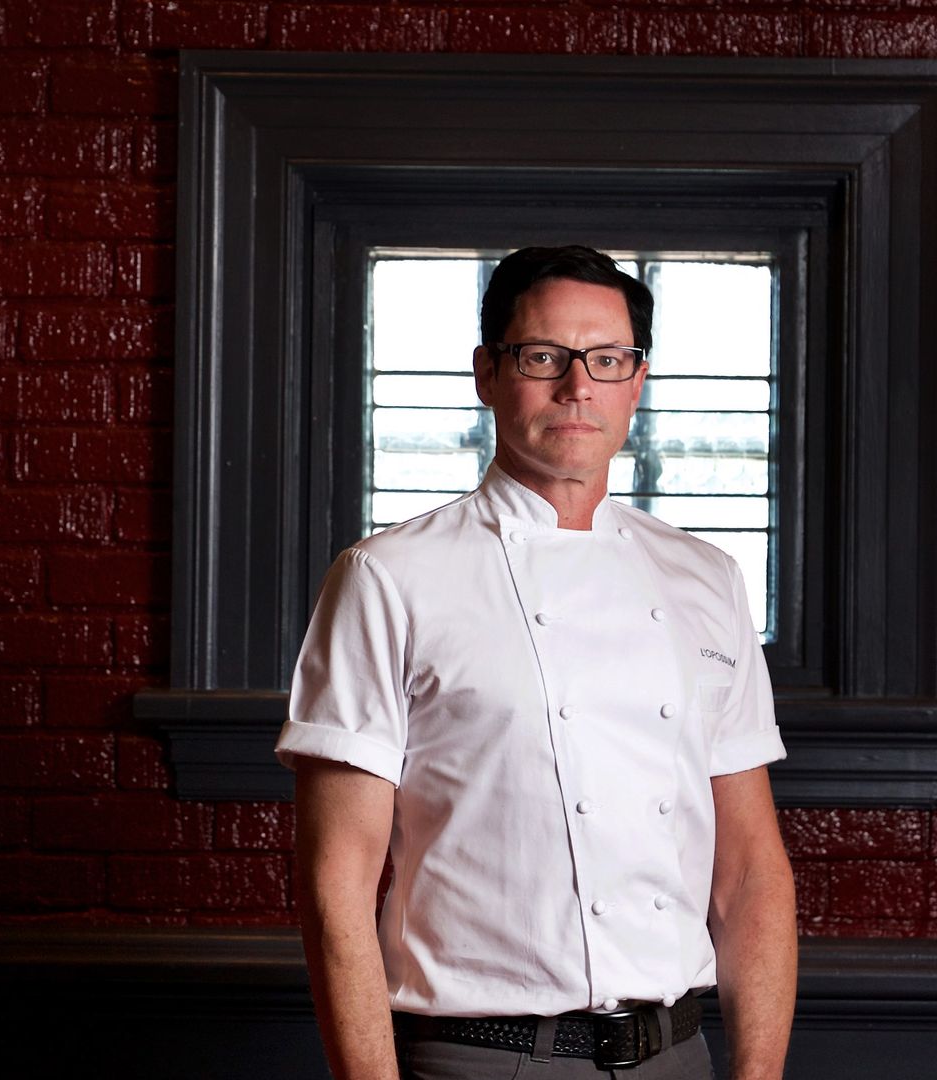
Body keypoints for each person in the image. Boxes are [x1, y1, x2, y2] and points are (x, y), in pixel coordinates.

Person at [279, 246, 796, 1079]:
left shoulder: (707, 579)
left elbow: (749, 872)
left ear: (637, 380)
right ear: (487, 373)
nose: (577, 387)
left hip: (677, 1056)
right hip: (481, 1058)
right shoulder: (387, 577)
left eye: (608, 359)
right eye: (544, 357)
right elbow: (337, 881)